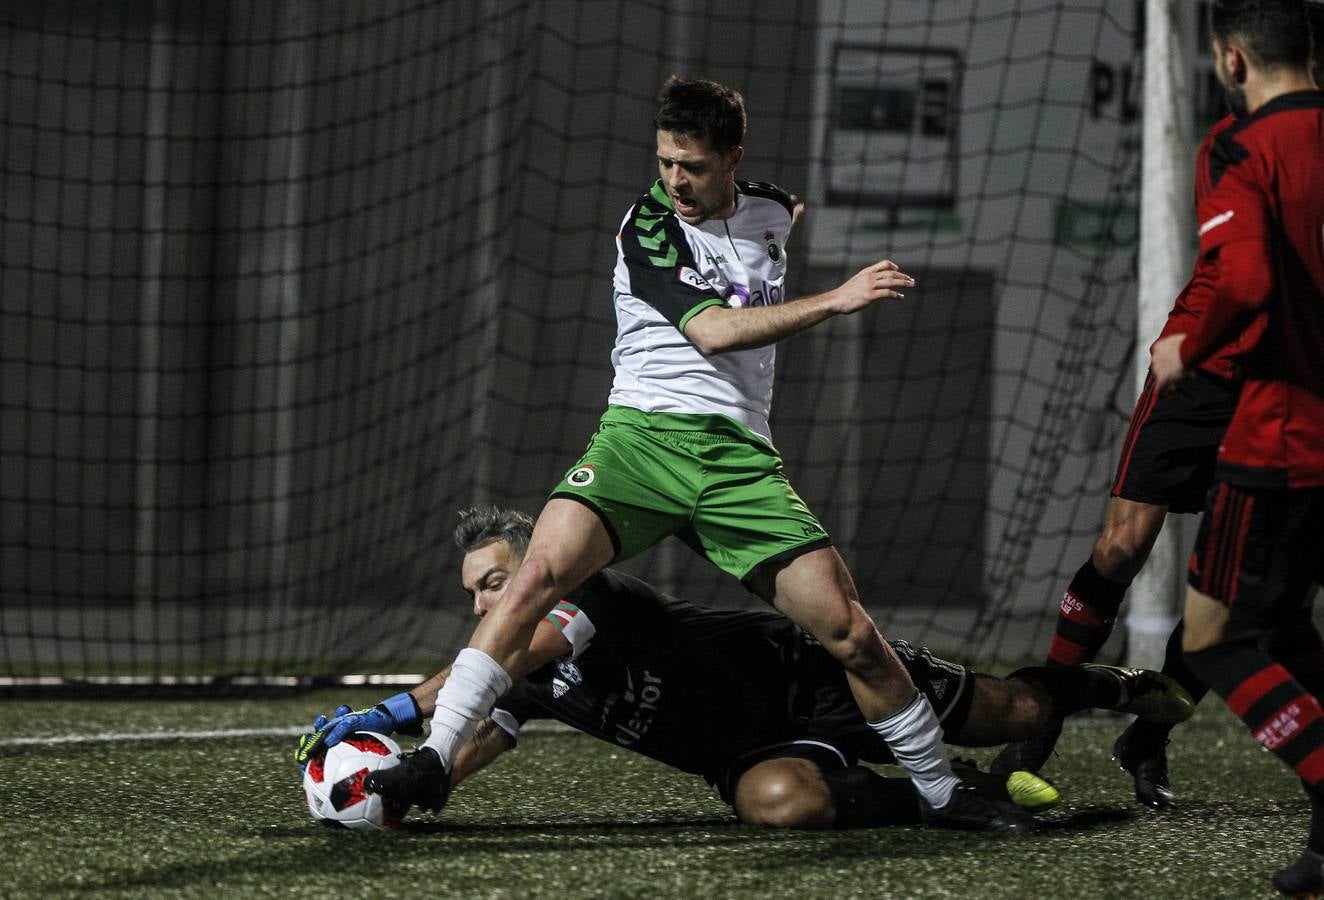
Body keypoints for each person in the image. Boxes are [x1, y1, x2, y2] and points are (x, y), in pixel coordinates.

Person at [325, 75, 1017, 829]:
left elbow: (780, 216)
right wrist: (836, 298)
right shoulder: (646, 226)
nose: (675, 181)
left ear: (731, 158)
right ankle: (432, 758)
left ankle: (946, 795)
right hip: (640, 443)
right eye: (664, 162)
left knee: (851, 633)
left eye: (690, 165)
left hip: (737, 461)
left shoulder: (771, 206)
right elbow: (714, 331)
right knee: (535, 583)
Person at [298, 506, 1195, 830]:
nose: (486, 606)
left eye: (497, 582)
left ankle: (1119, 690)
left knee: (1023, 715)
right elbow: (473, 741)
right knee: (779, 806)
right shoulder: (508, 677)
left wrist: (392, 708)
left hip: (810, 677)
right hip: (751, 754)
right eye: (474, 595)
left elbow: (495, 666)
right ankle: (934, 795)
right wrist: (400, 792)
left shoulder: (585, 599)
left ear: (535, 571)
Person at [992, 3, 1324, 809]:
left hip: (1275, 386)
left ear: (1231, 58)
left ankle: (1150, 733)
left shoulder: (1258, 139)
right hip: (1202, 375)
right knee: (1121, 547)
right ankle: (1029, 735)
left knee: (1231, 596)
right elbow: (1241, 275)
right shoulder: (1239, 144)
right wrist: (1190, 346)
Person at [1144, 0, 1324, 892]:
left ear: (1233, 59)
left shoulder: (1248, 150)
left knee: (1214, 636)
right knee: (1292, 629)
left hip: (1284, 435)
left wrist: (1188, 343)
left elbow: (1245, 277)